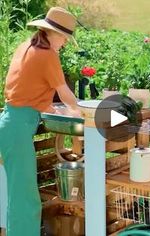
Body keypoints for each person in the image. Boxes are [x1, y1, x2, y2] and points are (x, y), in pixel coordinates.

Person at [0, 7, 81, 236]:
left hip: (11, 124)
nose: (64, 43)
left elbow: (26, 92)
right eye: (64, 37)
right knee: (26, 200)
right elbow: (64, 93)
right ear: (52, 33)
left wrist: (55, 107)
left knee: (19, 197)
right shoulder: (47, 55)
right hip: (17, 129)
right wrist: (82, 112)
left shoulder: (27, 47)